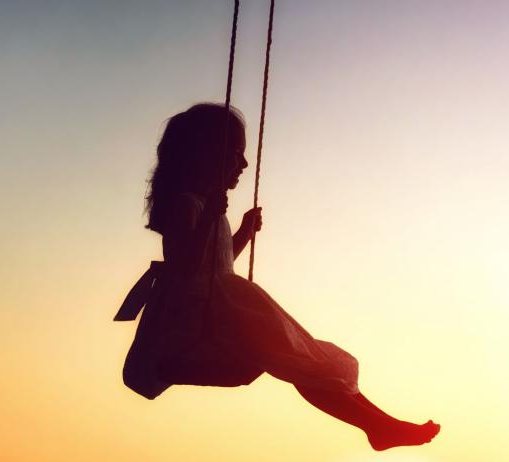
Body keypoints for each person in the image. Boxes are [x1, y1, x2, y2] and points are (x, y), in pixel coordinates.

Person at [115, 103, 440, 451]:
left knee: (304, 357)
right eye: (235, 153)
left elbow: (216, 262)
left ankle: (379, 424)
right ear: (205, 154)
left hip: (222, 302)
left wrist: (241, 233)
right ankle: (378, 426)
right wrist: (210, 217)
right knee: (297, 359)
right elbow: (186, 269)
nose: (243, 164)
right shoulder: (188, 205)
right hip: (195, 315)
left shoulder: (208, 208)